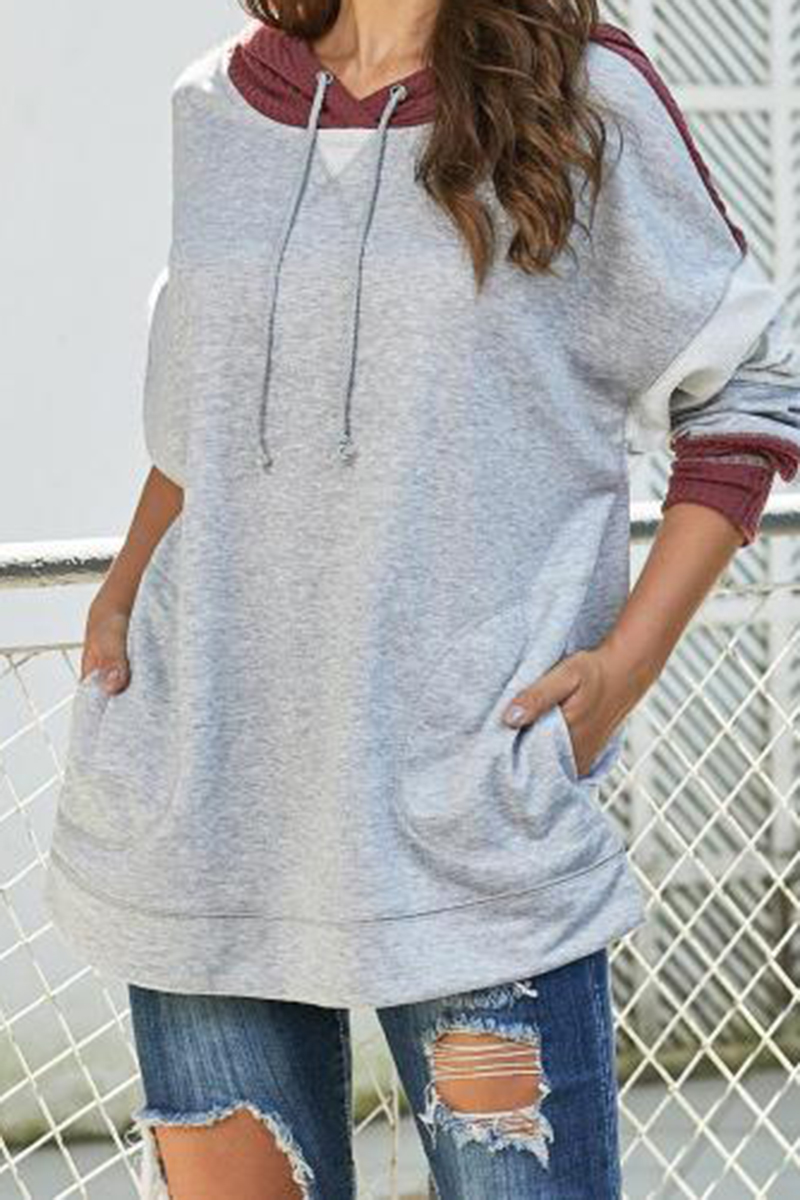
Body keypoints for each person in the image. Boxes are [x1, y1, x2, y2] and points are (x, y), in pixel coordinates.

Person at [43, 1, 800, 1196]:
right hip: (203, 795)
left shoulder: (581, 94)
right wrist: (122, 595)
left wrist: (619, 674)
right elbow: (197, 422)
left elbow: (745, 391)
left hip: (468, 812)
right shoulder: (215, 105)